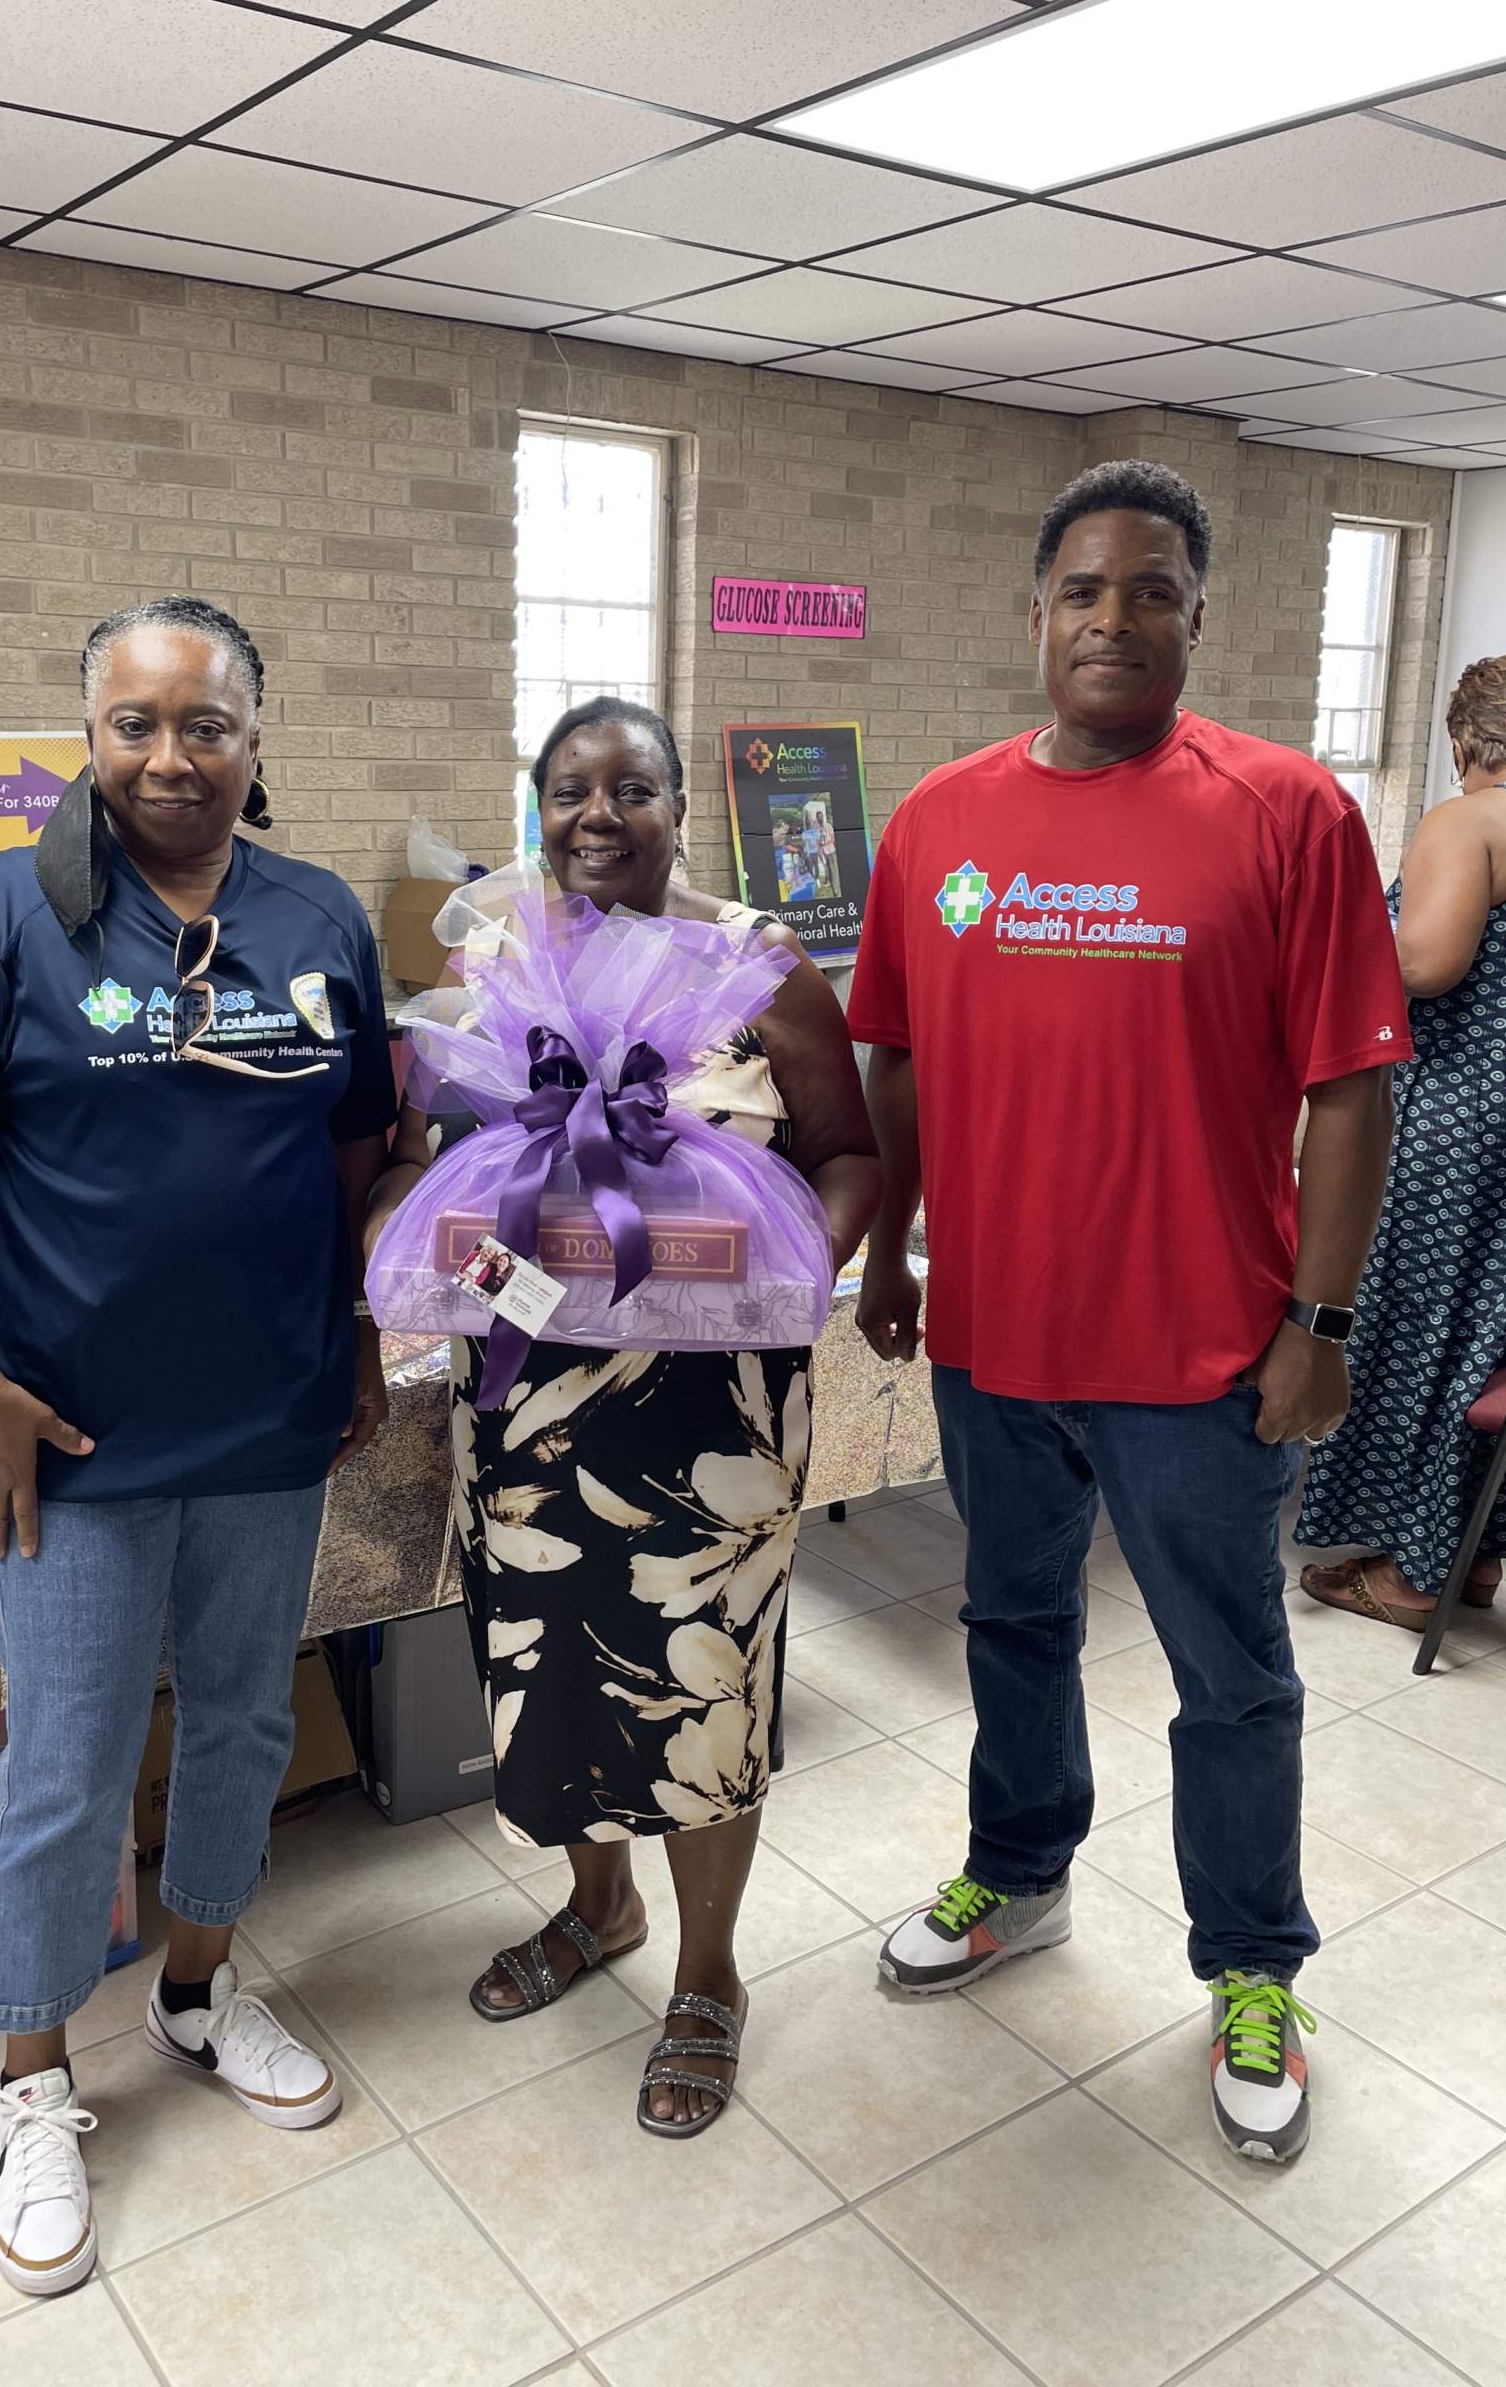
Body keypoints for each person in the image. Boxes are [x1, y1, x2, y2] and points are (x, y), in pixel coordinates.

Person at [851, 460, 1408, 2165]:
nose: (1115, 619)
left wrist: (1321, 1323)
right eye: (1084, 590)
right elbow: (896, 1056)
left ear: (1194, 617)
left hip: (1203, 1355)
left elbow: (1354, 1088)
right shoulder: (937, 824)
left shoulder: (1288, 812)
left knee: (1229, 1676)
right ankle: (1021, 1873)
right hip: (997, 1340)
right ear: (1036, 614)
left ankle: (1252, 1965)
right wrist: (894, 1254)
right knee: (1012, 1626)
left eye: (1151, 590)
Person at [0, 596, 395, 2295]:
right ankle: (29, 2077)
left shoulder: (319, 915)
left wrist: (361, 1329)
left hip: (267, 1416)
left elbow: (360, 1142)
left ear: (255, 737)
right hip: (68, 1437)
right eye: (136, 724)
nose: (172, 756)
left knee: (240, 1722)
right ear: (89, 737)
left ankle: (198, 1996)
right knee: (72, 1760)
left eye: (206, 724)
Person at [366, 695, 879, 2136]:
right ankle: (600, 1908)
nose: (601, 815)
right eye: (572, 790)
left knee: (707, 1684)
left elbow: (851, 1157)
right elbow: (427, 1168)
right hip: (528, 1406)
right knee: (550, 1673)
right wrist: (431, 1245)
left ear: (677, 810)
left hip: (717, 1416)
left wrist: (788, 1281)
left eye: (633, 789)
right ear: (538, 810)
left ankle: (708, 1973)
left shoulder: (760, 965)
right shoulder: (491, 963)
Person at [1298, 655, 1506, 1624]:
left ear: (1464, 741)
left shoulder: (1467, 820)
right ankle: (1466, 1556)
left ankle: (1412, 1574)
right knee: (1496, 1335)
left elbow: (1427, 962)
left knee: (1421, 1328)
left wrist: (1330, 934)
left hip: (1463, 1112)